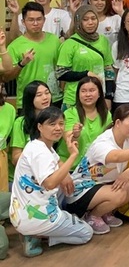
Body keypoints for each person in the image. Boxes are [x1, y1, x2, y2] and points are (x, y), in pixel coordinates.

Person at [10, 106, 93, 257]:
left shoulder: (37, 145)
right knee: (86, 233)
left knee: (65, 184)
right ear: (39, 127)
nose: (58, 128)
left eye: (61, 124)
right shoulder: (40, 152)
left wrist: (65, 173)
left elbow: (56, 162)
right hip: (38, 219)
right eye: (52, 124)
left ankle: (37, 231)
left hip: (19, 214)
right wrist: (73, 155)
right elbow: (49, 184)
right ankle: (38, 236)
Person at [68, 104, 129, 234]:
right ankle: (92, 217)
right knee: (119, 194)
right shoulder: (103, 142)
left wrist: (128, 172)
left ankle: (105, 212)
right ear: (118, 122)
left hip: (104, 185)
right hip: (82, 189)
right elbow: (116, 156)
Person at [1, 2, 63, 109]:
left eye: (39, 19)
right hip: (28, 101)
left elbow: (61, 69)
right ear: (23, 22)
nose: (35, 23)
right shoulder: (15, 46)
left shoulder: (54, 40)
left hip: (54, 99)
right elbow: (6, 77)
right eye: (31, 20)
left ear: (44, 20)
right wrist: (22, 64)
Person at [56, 5, 115, 109]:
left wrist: (108, 97)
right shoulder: (69, 44)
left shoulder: (103, 41)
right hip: (74, 98)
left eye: (93, 18)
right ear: (79, 22)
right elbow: (61, 73)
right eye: (85, 19)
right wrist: (86, 74)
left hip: (98, 97)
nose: (90, 22)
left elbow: (108, 70)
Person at [58, 77, 112, 167]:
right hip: (70, 166)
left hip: (94, 166)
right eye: (83, 91)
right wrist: (75, 135)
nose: (88, 94)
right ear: (78, 94)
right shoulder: (69, 113)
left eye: (92, 90)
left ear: (99, 93)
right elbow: (68, 140)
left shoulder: (106, 115)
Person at [8, 82, 52, 182]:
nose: (45, 97)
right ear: (30, 99)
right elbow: (16, 158)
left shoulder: (54, 120)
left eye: (47, 93)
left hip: (48, 173)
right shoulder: (20, 122)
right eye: (39, 95)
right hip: (23, 177)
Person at [7, 0, 73, 41]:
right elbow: (13, 38)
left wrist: (74, 12)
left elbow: (70, 34)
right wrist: (15, 14)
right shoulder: (23, 16)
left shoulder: (62, 14)